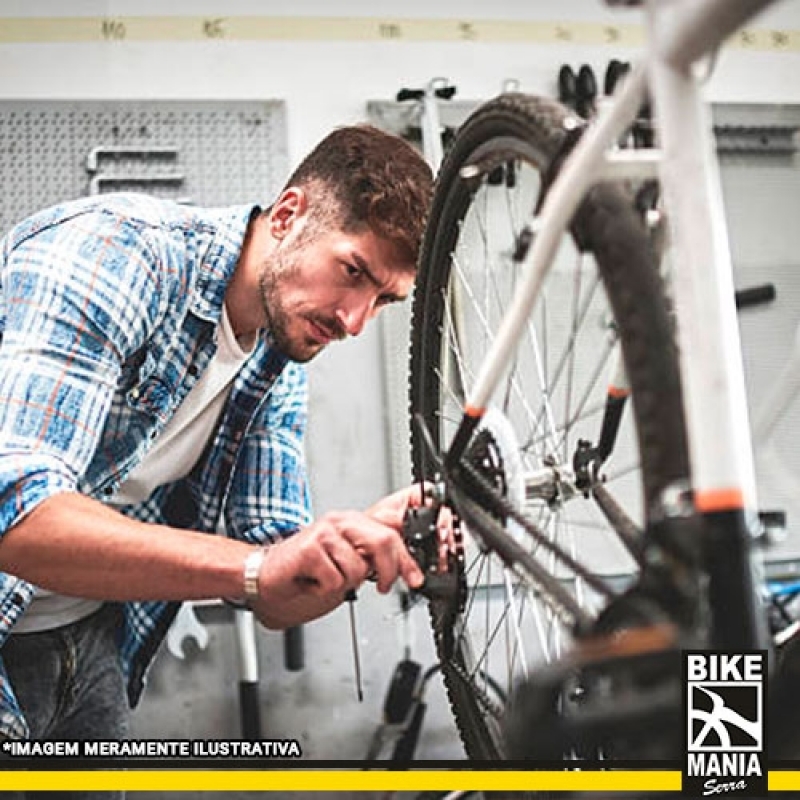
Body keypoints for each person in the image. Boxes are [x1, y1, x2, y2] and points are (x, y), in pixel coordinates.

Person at [0, 123, 434, 764]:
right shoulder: (112, 253)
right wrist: (257, 569)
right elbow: (15, 513)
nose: (353, 320)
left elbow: (274, 585)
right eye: (352, 271)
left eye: (383, 300)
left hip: (88, 636)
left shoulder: (280, 350)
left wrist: (360, 542)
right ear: (289, 214)